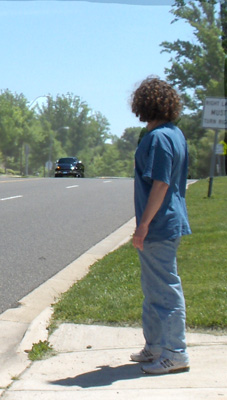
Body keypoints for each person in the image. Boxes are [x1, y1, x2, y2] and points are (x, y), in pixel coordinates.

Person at [130, 77, 192, 375]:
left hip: (160, 224)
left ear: (142, 105)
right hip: (168, 220)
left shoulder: (157, 139)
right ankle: (155, 345)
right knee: (153, 287)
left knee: (165, 289)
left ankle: (175, 352)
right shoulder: (175, 134)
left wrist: (143, 225)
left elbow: (161, 183)